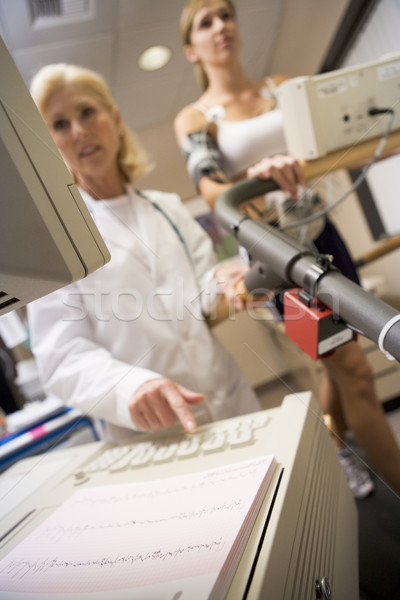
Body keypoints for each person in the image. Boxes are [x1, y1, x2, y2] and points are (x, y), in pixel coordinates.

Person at [174, 0, 400, 498]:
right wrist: (251, 177)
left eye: (225, 14)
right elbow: (210, 186)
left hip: (323, 235)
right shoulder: (197, 116)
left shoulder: (281, 87)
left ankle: (336, 445)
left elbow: (327, 144)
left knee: (340, 357)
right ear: (192, 47)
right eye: (205, 22)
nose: (220, 26)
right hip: (274, 259)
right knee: (353, 369)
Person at [27, 62, 261, 445]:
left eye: (87, 112)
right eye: (60, 124)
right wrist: (131, 387)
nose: (80, 131)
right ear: (50, 145)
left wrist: (222, 281)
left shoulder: (166, 207)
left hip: (226, 396)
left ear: (114, 118)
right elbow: (62, 357)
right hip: (150, 430)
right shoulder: (56, 242)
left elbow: (201, 290)